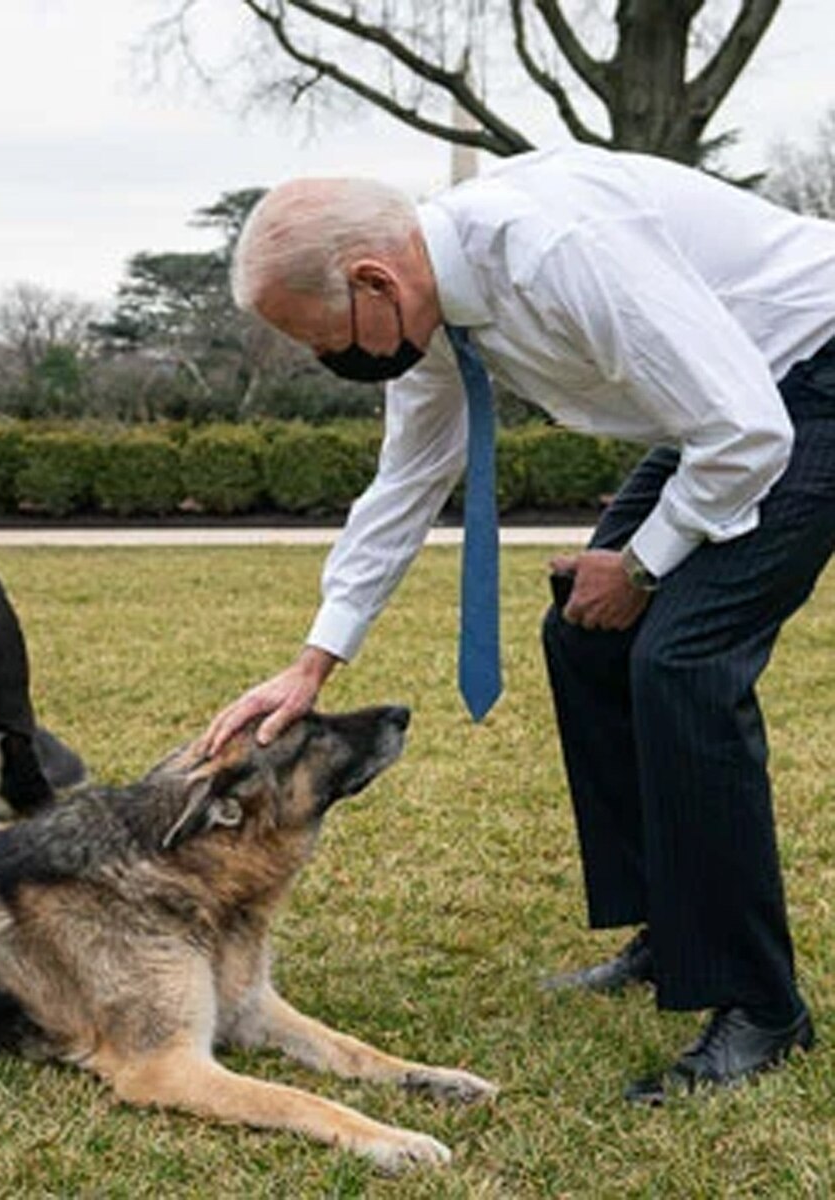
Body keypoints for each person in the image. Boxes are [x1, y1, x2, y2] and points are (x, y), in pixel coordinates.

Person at [203, 145, 835, 1103]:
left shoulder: (558, 251)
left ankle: (761, 1005)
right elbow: (407, 481)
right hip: (729, 402)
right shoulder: (429, 311)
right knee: (588, 636)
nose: (327, 361)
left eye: (322, 340)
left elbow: (749, 433)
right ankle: (675, 932)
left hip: (809, 381)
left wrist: (642, 565)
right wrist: (312, 666)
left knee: (683, 660)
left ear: (373, 282)